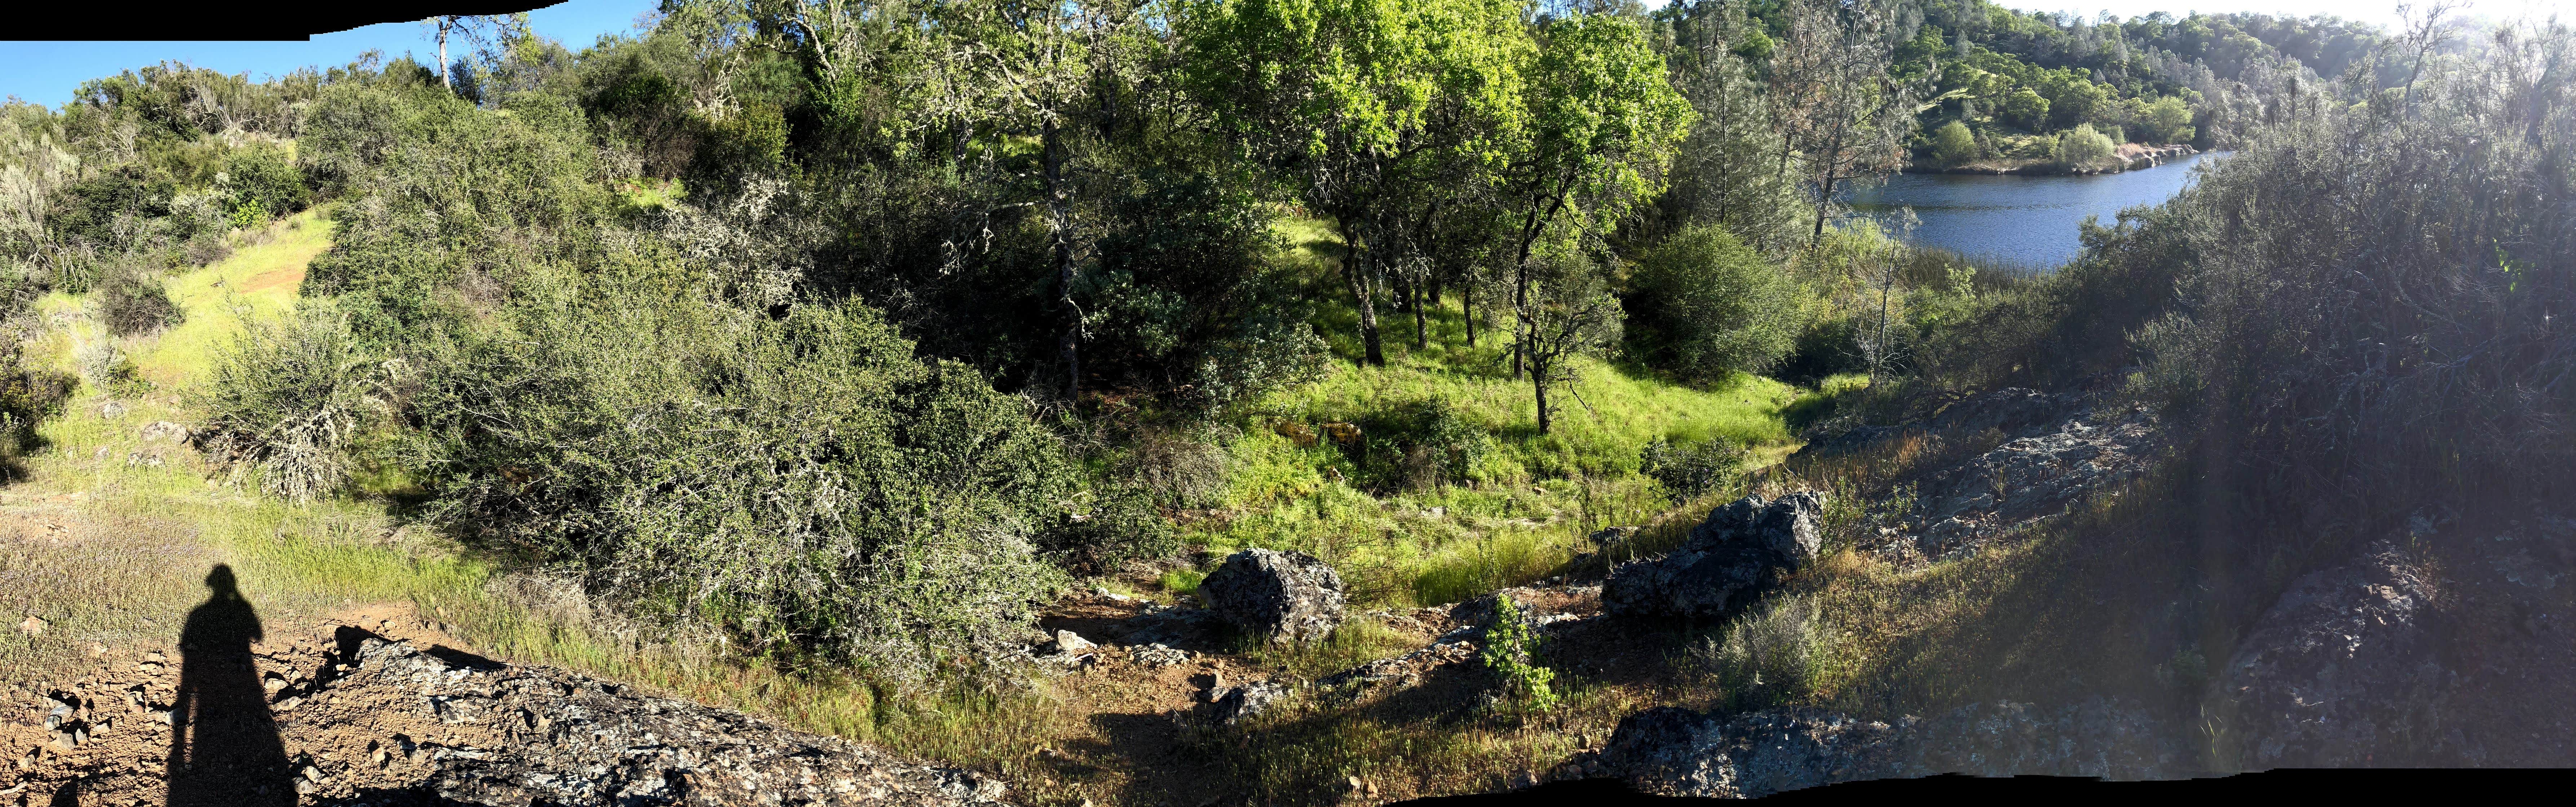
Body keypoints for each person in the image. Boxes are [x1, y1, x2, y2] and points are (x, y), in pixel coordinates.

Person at [165, 564, 293, 806]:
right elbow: (258, 634)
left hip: (207, 677)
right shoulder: (241, 607)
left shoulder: (198, 613)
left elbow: (187, 648)